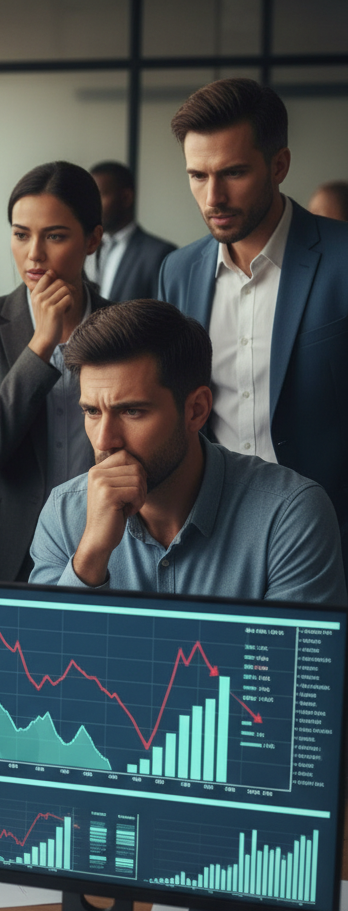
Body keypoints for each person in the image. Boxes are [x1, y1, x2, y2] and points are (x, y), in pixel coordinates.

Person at [29, 300, 346, 605]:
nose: (104, 440)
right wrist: (91, 556)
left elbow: (282, 659)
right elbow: (43, 657)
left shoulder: (289, 516)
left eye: (132, 412)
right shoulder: (63, 514)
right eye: (92, 412)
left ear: (197, 410)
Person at [158, 79, 348, 567]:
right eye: (197, 176)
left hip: (332, 536)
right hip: (215, 543)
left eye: (233, 173)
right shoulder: (176, 272)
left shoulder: (343, 260)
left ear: (279, 165)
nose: (212, 197)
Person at [0, 162, 107, 582]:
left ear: (93, 239)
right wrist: (42, 344)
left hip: (101, 537)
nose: (34, 254)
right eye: (21, 235)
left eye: (54, 236)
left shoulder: (124, 325)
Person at [84, 160, 176, 301]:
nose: (92, 206)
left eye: (99, 196)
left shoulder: (160, 254)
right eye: (89, 198)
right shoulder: (84, 246)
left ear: (126, 198)